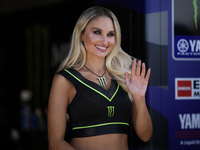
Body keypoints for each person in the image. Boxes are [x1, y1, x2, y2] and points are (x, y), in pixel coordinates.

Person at [47, 6, 152, 150]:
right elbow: (55, 142)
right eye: (97, 32)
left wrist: (139, 98)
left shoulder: (125, 76)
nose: (104, 40)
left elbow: (145, 135)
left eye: (110, 34)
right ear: (81, 35)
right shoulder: (65, 79)